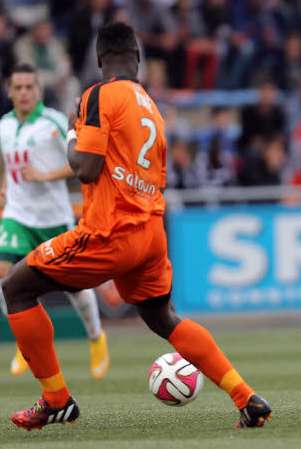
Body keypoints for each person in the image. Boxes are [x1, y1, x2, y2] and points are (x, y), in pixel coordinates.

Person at [2, 22, 271, 431]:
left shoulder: (97, 94)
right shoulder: (151, 106)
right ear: (138, 59)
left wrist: (74, 131)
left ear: (98, 59)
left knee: (17, 287)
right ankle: (246, 397)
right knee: (162, 317)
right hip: (151, 233)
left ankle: (56, 399)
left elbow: (87, 168)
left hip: (113, 230)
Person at [0, 63, 109, 380]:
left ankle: (96, 338)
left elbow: (80, 163)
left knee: (75, 288)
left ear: (38, 90)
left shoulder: (54, 122)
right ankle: (26, 342)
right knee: (5, 279)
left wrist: (45, 175)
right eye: (17, 87)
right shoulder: (4, 126)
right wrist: (4, 186)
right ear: (9, 91)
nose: (23, 93)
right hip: (18, 216)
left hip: (54, 219)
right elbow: (5, 162)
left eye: (29, 87)